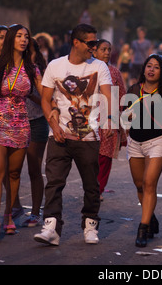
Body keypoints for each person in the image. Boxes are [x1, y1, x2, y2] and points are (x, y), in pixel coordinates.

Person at [33, 24, 114, 246]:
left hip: (89, 137)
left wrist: (109, 120)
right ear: (76, 42)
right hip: (59, 135)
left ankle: (90, 224)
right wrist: (54, 124)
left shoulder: (99, 66)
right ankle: (51, 226)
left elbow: (108, 96)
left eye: (96, 43)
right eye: (91, 43)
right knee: (54, 181)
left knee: (91, 184)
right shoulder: (55, 66)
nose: (94, 47)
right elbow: (45, 99)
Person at [0, 24, 42, 236]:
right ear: (12, 39)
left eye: (26, 37)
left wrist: (57, 110)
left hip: (21, 125)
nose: (23, 39)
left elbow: (45, 97)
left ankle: (8, 214)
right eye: (19, 36)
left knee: (14, 173)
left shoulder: (32, 69)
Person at [123, 53, 162, 247]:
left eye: (156, 67)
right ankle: (151, 217)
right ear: (143, 69)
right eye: (149, 66)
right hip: (135, 142)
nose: (151, 70)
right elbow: (126, 116)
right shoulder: (134, 90)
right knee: (139, 185)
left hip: (157, 141)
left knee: (149, 183)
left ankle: (143, 228)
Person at [13, 39, 49, 227]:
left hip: (36, 123)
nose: (28, 54)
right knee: (10, 170)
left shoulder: (40, 72)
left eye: (31, 50)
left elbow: (45, 99)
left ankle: (35, 213)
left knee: (34, 169)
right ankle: (16, 205)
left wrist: (27, 93)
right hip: (13, 123)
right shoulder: (10, 68)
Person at [94, 39, 127, 201]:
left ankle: (98, 189)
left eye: (109, 49)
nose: (107, 53)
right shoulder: (88, 70)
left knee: (105, 158)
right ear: (94, 51)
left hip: (109, 119)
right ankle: (91, 187)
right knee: (90, 157)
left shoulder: (114, 73)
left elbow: (122, 96)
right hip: (89, 119)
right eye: (103, 49)